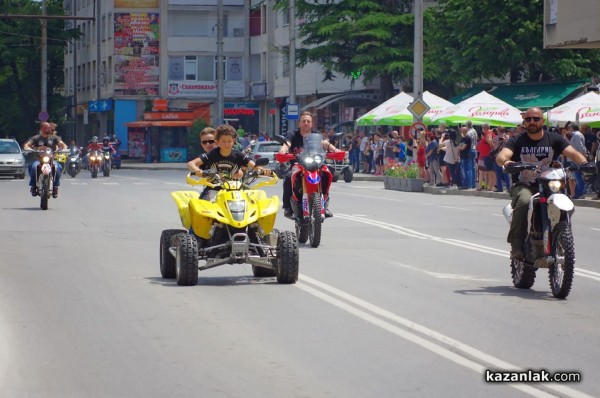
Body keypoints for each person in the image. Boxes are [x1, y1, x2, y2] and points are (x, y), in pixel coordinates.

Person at [495, 107, 588, 260]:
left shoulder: (554, 138)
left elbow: (572, 153)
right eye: (528, 119)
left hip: (550, 184)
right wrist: (507, 161)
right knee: (525, 201)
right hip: (525, 184)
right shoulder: (517, 140)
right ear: (524, 121)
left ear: (542, 121)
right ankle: (517, 245)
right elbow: (502, 156)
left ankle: (562, 234)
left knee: (565, 201)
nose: (532, 122)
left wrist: (584, 163)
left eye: (536, 119)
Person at [278, 111, 341, 219]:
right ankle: (287, 207)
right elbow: (287, 144)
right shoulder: (293, 134)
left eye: (308, 121)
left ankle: (324, 205)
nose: (306, 123)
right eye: (303, 121)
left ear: (312, 123)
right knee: (288, 177)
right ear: (299, 123)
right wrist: (282, 151)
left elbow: (325, 143)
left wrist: (336, 150)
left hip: (316, 164)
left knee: (326, 173)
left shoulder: (317, 134)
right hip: (298, 164)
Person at [23, 121, 68, 197]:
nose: (49, 129)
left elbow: (63, 144)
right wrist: (29, 148)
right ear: (42, 128)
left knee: (58, 167)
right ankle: (33, 186)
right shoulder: (36, 138)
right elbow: (27, 145)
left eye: (50, 128)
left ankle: (55, 187)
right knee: (33, 167)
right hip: (39, 160)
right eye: (47, 128)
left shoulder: (54, 138)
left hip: (51, 159)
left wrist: (64, 148)